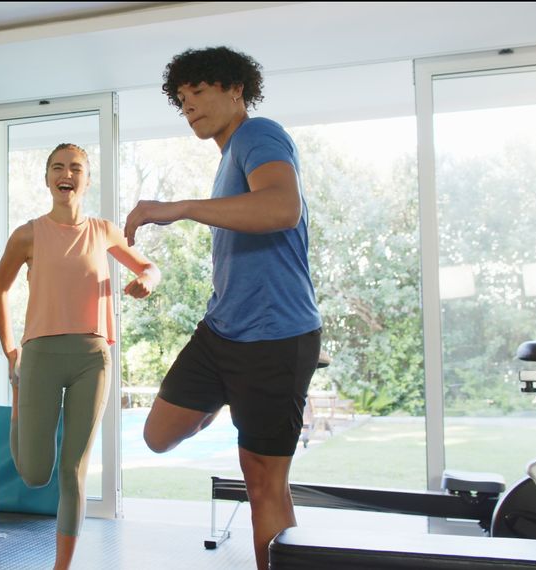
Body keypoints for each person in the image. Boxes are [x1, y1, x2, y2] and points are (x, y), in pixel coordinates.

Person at [123, 46, 322, 570]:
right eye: (182, 100)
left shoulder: (260, 135)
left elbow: (282, 206)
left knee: (262, 482)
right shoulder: (229, 159)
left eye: (199, 92)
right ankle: (232, 399)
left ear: (236, 89)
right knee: (159, 434)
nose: (188, 106)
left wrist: (180, 208)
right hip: (223, 332)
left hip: (275, 338)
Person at [0, 143, 161, 570]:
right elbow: (0, 290)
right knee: (35, 474)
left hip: (91, 357)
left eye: (75, 168)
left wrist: (147, 280)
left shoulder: (104, 230)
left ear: (86, 180)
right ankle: (18, 397)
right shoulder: (27, 234)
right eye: (57, 167)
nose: (65, 173)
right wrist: (11, 350)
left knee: (73, 470)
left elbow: (149, 267)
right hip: (39, 356)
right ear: (47, 178)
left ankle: (61, 567)